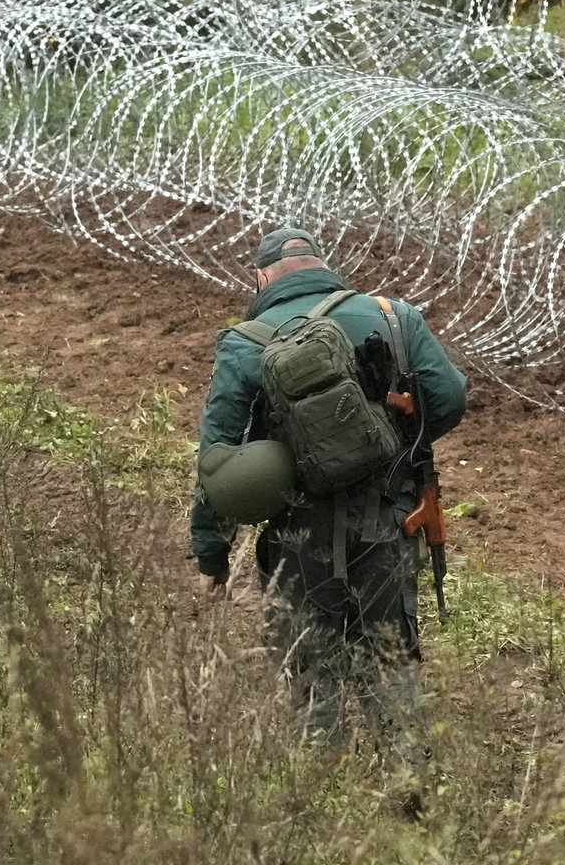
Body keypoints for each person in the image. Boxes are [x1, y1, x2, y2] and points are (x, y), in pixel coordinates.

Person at [191, 226, 467, 746]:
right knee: (391, 655)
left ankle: (322, 784)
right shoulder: (394, 316)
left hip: (297, 530)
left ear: (261, 277)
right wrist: (396, 441)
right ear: (323, 266)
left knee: (312, 661)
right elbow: (449, 398)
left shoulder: (245, 342)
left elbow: (218, 459)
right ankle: (412, 784)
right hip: (390, 515)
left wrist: (213, 553)